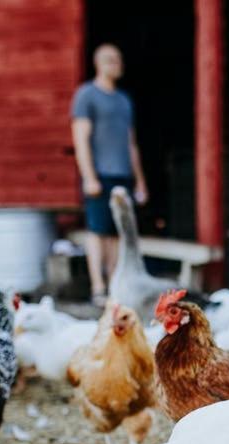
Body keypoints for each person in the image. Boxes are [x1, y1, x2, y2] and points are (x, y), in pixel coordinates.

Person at [70, 43, 149, 304]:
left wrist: (140, 181)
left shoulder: (124, 100)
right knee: (98, 231)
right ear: (100, 63)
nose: (118, 65)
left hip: (122, 174)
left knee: (117, 234)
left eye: (119, 60)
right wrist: (89, 176)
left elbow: (131, 143)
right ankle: (98, 287)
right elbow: (81, 138)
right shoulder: (87, 95)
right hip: (100, 174)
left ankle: (115, 286)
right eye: (113, 60)